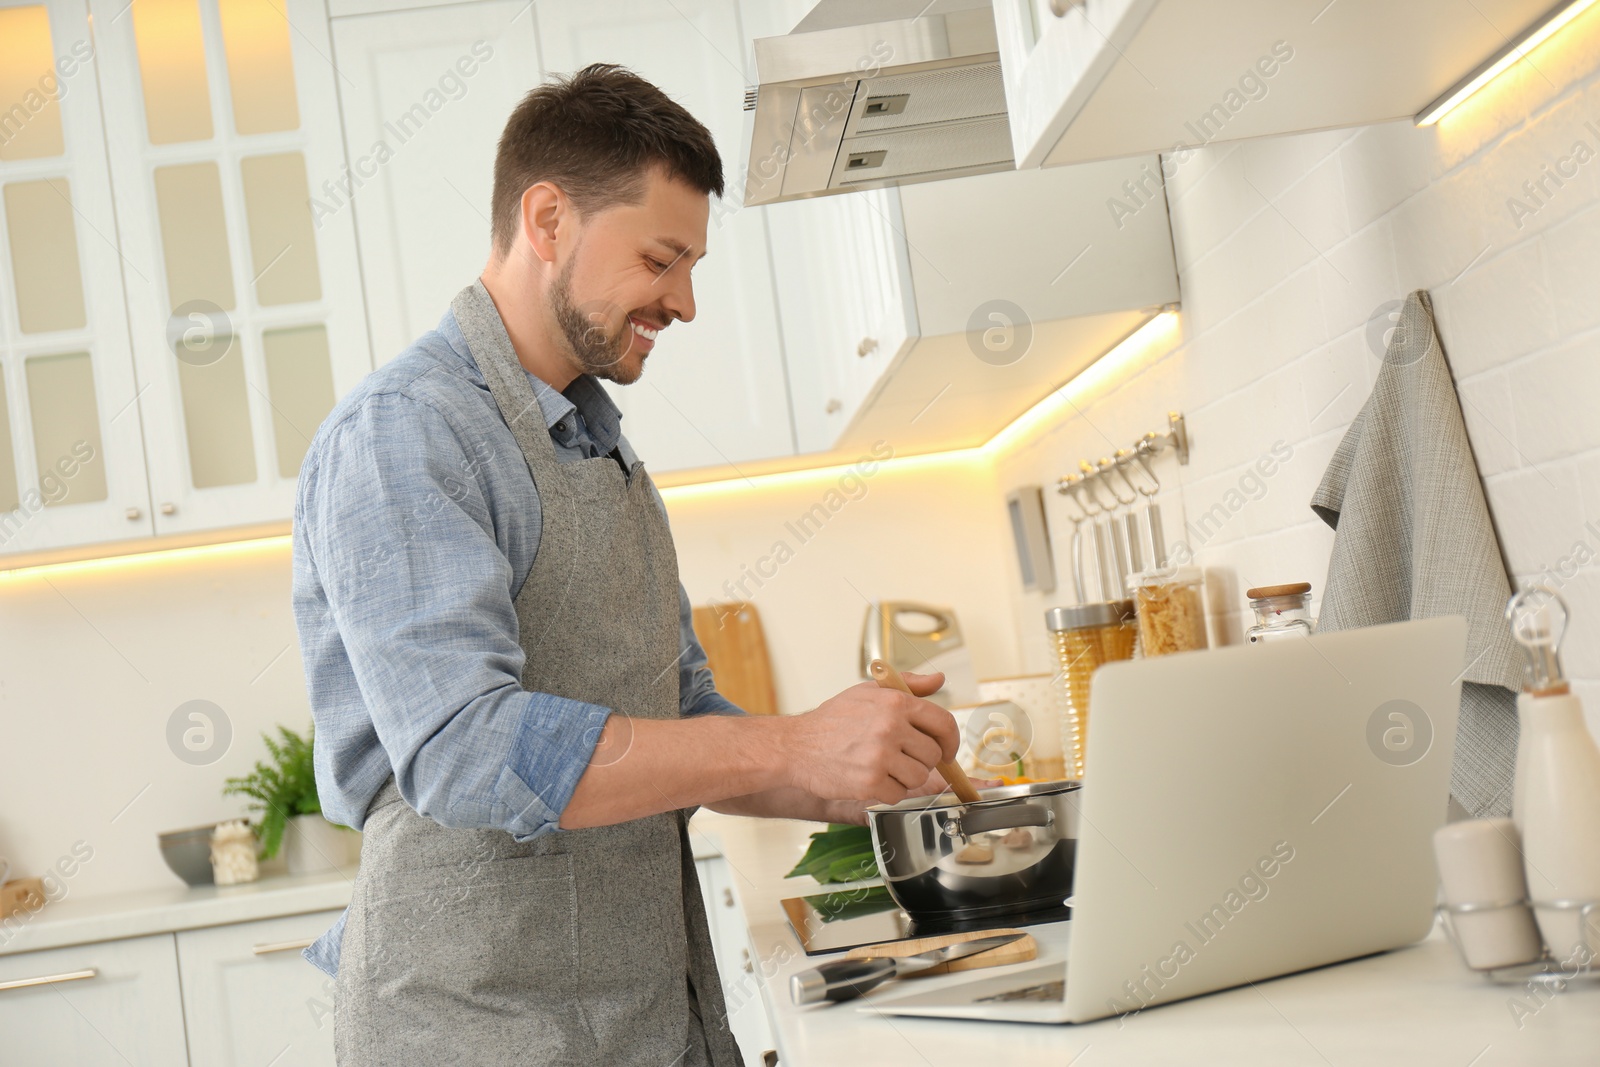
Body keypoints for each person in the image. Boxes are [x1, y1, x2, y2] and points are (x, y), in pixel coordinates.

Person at [291, 63, 962, 1066]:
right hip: (479, 1028)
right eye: (661, 258)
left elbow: (679, 710)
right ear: (549, 218)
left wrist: (844, 767)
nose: (684, 301)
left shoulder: (594, 442)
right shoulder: (406, 433)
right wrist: (787, 747)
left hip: (642, 1013)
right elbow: (463, 747)